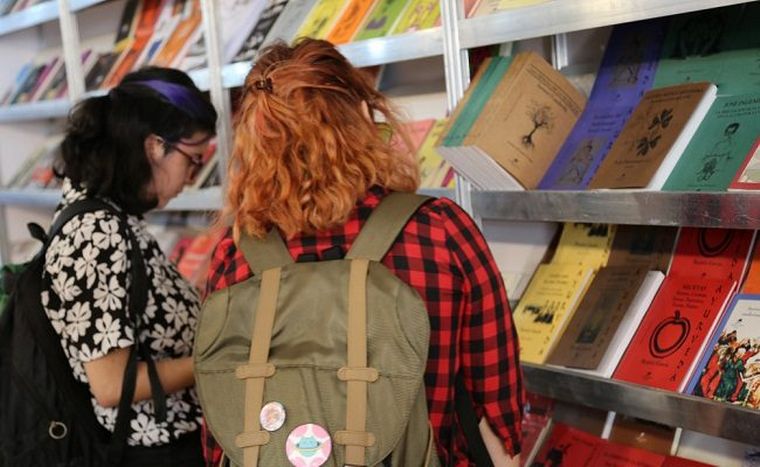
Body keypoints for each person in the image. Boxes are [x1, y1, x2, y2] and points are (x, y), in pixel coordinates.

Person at [203, 38, 523, 466]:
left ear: (254, 142)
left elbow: (221, 427)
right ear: (361, 114)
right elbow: (497, 410)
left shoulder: (237, 253)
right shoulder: (440, 230)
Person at [42, 67, 217, 466]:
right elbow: (111, 385)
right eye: (192, 160)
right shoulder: (96, 230)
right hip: (154, 451)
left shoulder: (110, 216)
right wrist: (214, 362)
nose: (191, 179)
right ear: (155, 146)